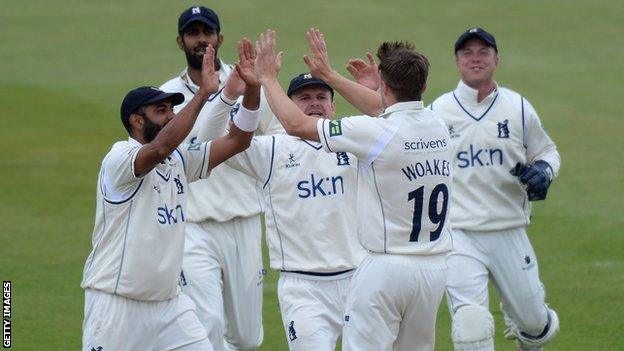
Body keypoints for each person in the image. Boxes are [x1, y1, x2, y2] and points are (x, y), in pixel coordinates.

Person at [254, 28, 453, 351]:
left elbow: (296, 126)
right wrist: (329, 76)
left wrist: (268, 79)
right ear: (425, 86)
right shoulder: (438, 124)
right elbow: (382, 107)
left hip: (385, 269)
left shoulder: (376, 132)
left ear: (385, 86)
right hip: (434, 270)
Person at [81, 45, 263, 351]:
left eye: (171, 110)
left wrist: (253, 90)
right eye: (161, 111)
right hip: (117, 304)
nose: (170, 116)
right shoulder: (119, 159)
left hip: (170, 306)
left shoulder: (179, 161)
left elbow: (238, 140)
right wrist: (204, 94)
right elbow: (161, 147)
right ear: (137, 121)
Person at [197, 70, 365, 350]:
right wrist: (228, 96)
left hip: (358, 280)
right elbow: (208, 139)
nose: (314, 103)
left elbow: (394, 123)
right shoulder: (270, 150)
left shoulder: (354, 141)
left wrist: (370, 91)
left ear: (333, 106)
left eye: (322, 97)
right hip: (304, 289)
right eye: (304, 97)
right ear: (285, 106)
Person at [428, 28, 561, 351]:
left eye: (483, 52)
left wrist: (544, 171)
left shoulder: (517, 107)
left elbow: (547, 151)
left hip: (509, 229)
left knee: (533, 322)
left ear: (496, 60)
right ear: (457, 62)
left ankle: (526, 328)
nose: (475, 58)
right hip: (458, 234)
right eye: (467, 53)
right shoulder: (438, 111)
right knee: (470, 326)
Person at [159, 6, 278, 350]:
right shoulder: (166, 95)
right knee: (206, 322)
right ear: (180, 40)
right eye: (193, 33)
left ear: (219, 38)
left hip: (243, 217)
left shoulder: (248, 81)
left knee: (246, 337)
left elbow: (277, 135)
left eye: (207, 32)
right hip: (193, 223)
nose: (201, 40)